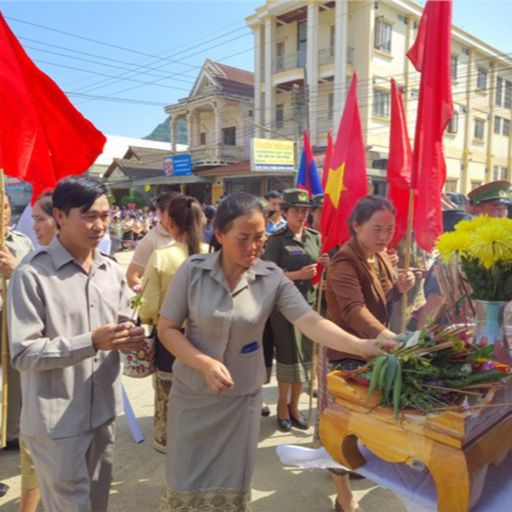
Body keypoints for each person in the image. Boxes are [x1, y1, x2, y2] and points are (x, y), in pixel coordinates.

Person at [156, 192, 395, 511]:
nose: (254, 247)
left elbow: (310, 320)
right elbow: (167, 329)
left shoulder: (270, 278)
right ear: (221, 234)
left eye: (260, 237)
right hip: (194, 398)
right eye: (244, 238)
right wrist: (204, 363)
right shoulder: (192, 271)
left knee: (231, 487)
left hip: (242, 401)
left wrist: (362, 345)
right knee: (186, 485)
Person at [7, 176, 145, 512]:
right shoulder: (32, 275)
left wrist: (134, 339)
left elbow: (125, 324)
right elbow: (23, 353)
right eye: (88, 216)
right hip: (57, 424)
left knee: (96, 504)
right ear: (60, 215)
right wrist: (91, 342)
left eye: (105, 216)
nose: (99, 226)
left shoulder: (111, 272)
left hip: (102, 414)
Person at [323, 195, 414, 512]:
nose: (384, 236)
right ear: (356, 225)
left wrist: (402, 286)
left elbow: (381, 297)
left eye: (389, 229)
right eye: (377, 229)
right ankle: (344, 498)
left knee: (371, 430)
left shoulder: (383, 257)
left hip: (377, 353)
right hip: (348, 355)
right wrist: (390, 337)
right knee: (340, 432)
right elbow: (353, 309)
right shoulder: (343, 263)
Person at [138, 195, 208, 453]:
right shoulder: (211, 253)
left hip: (170, 337)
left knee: (168, 392)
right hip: (206, 337)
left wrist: (148, 319)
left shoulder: (161, 256)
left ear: (170, 222)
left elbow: (147, 306)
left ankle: (168, 441)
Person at [264, 188, 327, 431]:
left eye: (305, 211)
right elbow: (268, 275)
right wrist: (295, 275)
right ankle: (282, 406)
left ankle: (295, 406)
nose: (302, 215)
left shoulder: (314, 238)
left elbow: (320, 270)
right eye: (297, 211)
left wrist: (325, 265)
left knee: (304, 359)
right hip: (284, 309)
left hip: (308, 306)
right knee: (288, 359)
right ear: (286, 212)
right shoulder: (277, 240)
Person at [16, 191, 60, 512]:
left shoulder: (96, 267)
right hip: (39, 380)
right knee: (33, 451)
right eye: (32, 220)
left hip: (75, 388)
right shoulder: (30, 266)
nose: (35, 227)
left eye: (40, 219)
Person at [0, 192, 34, 452]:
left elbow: (37, 280)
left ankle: (11, 432)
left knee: (16, 378)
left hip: (14, 319)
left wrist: (16, 269)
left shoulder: (22, 243)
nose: (4, 212)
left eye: (6, 206)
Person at [126, 191, 176, 290]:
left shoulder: (188, 235)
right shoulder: (150, 240)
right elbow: (132, 277)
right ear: (160, 212)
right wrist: (154, 298)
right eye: (171, 213)